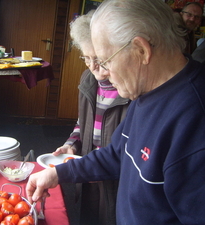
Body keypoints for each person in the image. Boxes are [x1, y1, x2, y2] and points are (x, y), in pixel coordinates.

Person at [26, 0, 205, 224]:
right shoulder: (146, 88)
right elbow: (117, 153)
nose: (103, 73)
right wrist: (58, 174)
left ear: (141, 50)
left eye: (106, 61)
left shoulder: (201, 121)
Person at [53, 10, 129, 225]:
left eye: (99, 59)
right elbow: (82, 121)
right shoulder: (88, 79)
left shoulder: (130, 88)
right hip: (86, 169)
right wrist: (72, 145)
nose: (92, 66)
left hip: (116, 178)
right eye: (86, 58)